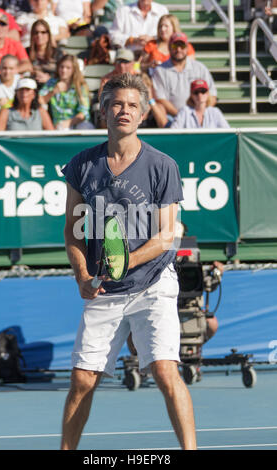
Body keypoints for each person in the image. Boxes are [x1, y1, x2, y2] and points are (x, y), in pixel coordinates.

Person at [60, 72, 197, 450]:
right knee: (83, 380)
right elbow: (73, 231)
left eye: (132, 106)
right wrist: (82, 275)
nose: (124, 111)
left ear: (143, 114)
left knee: (165, 371)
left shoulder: (162, 165)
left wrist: (126, 260)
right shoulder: (82, 165)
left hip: (153, 284)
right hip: (103, 288)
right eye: (117, 104)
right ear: (103, 111)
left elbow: (168, 234)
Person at [152, 32, 217, 119]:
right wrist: (182, 117)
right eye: (175, 46)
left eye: (182, 46)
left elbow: (212, 96)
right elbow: (160, 99)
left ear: (187, 48)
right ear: (169, 48)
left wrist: (199, 114)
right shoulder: (160, 71)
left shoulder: (200, 68)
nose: (178, 49)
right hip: (172, 117)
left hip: (200, 116)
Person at [39, 54, 94, 129]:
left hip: (77, 122)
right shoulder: (51, 83)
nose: (64, 70)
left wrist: (69, 122)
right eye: (62, 67)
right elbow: (39, 101)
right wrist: (53, 92)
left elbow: (84, 113)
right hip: (59, 123)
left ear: (74, 70)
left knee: (87, 128)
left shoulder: (80, 86)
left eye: (68, 68)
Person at [27, 19, 62, 86]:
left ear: (49, 34)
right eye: (36, 32)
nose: (39, 35)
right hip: (30, 87)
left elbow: (62, 73)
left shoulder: (57, 53)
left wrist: (49, 79)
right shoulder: (26, 52)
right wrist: (35, 72)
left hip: (52, 86)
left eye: (43, 32)